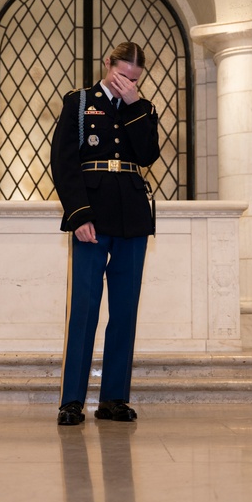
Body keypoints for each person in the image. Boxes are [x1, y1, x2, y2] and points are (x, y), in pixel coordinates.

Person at [50, 42, 160, 426]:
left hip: (132, 216)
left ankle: (114, 397)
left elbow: (147, 155)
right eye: (121, 74)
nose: (127, 82)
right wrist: (78, 214)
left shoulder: (142, 109)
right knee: (83, 309)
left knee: (125, 311)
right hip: (91, 217)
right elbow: (63, 162)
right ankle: (72, 400)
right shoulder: (79, 102)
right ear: (107, 65)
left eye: (134, 78)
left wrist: (132, 105)